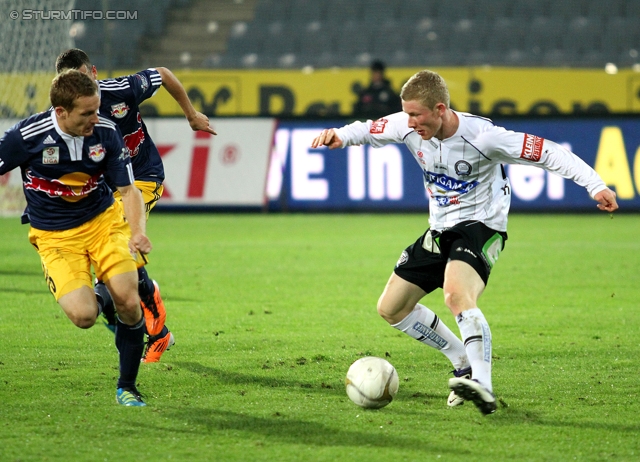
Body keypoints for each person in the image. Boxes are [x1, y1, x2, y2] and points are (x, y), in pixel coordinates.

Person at [312, 70, 618, 415]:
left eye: (417, 115)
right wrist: (339, 135)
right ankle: (463, 363)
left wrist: (595, 185)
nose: (410, 123)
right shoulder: (405, 124)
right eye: (407, 114)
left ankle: (483, 386)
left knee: (456, 295)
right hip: (440, 228)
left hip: (482, 227)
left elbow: (548, 153)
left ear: (440, 108)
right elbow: (370, 129)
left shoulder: (485, 137)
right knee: (392, 308)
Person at [0, 70, 154, 406]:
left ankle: (127, 387)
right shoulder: (26, 137)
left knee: (129, 302)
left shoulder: (106, 133)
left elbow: (128, 191)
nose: (95, 119)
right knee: (84, 317)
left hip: (103, 223)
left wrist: (139, 232)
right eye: (87, 113)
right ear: (61, 112)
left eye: (97, 109)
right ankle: (105, 292)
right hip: (55, 238)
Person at [55, 48, 217, 362]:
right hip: (101, 191)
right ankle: (154, 331)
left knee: (116, 255)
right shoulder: (64, 115)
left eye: (81, 79)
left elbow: (165, 74)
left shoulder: (123, 90)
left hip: (142, 179)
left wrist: (192, 115)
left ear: (94, 73)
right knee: (105, 268)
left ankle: (148, 311)